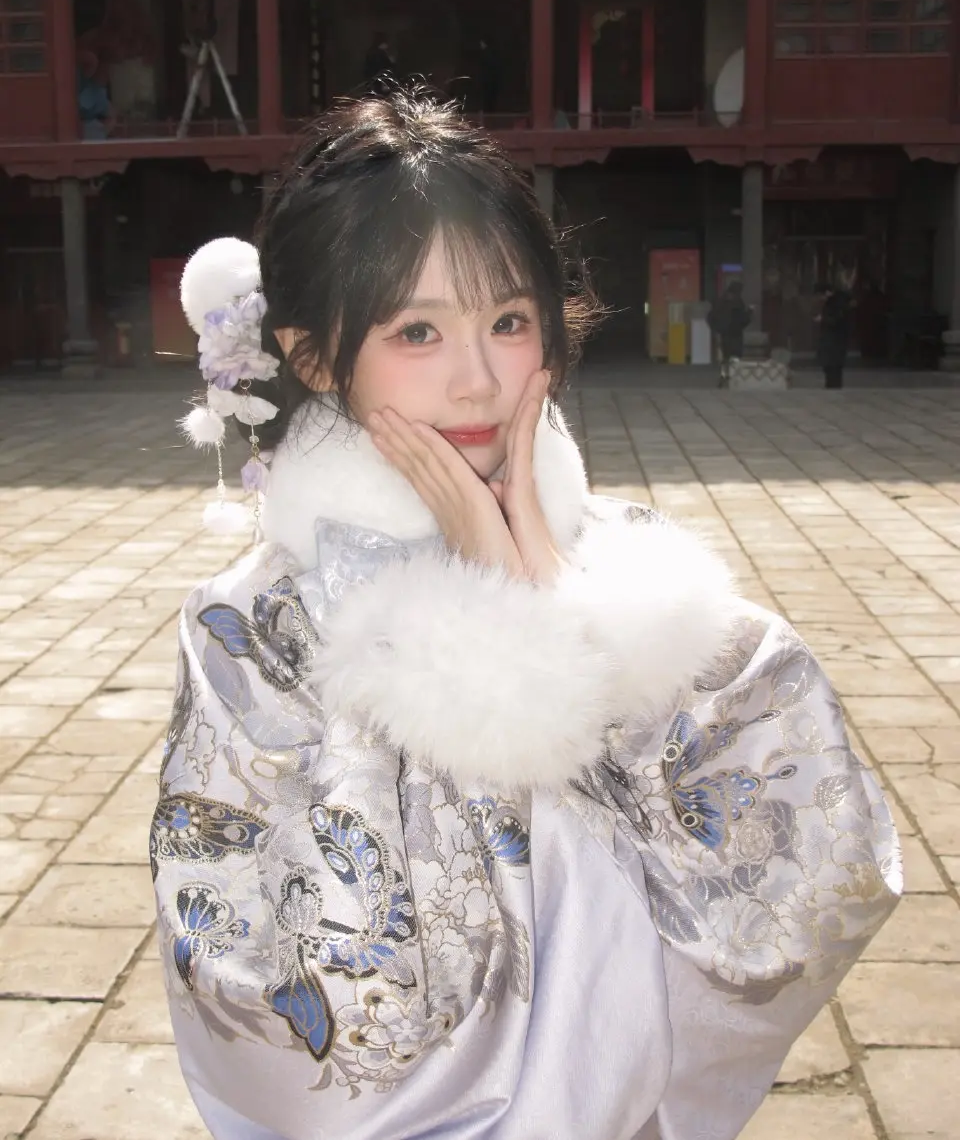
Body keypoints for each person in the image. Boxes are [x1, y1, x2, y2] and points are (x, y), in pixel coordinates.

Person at [154, 91, 900, 1140]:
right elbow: (273, 986)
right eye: (417, 330)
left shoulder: (632, 565)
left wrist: (543, 586)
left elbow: (806, 871)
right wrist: (498, 643)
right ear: (314, 355)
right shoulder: (250, 629)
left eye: (508, 321)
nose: (479, 379)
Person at [816, 283, 853, 388]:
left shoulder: (836, 303)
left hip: (834, 340)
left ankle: (832, 386)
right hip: (837, 340)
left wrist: (823, 319)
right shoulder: (839, 302)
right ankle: (833, 385)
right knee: (834, 367)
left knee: (832, 366)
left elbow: (836, 320)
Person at [707, 279, 750, 362]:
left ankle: (725, 369)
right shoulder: (737, 302)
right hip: (735, 333)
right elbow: (742, 319)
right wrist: (750, 313)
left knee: (726, 356)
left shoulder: (720, 300)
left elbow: (711, 315)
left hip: (724, 333)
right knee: (735, 357)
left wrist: (715, 327)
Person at [362, 31, 397, 98]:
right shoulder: (379, 54)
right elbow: (387, 67)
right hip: (379, 80)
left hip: (376, 81)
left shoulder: (373, 52)